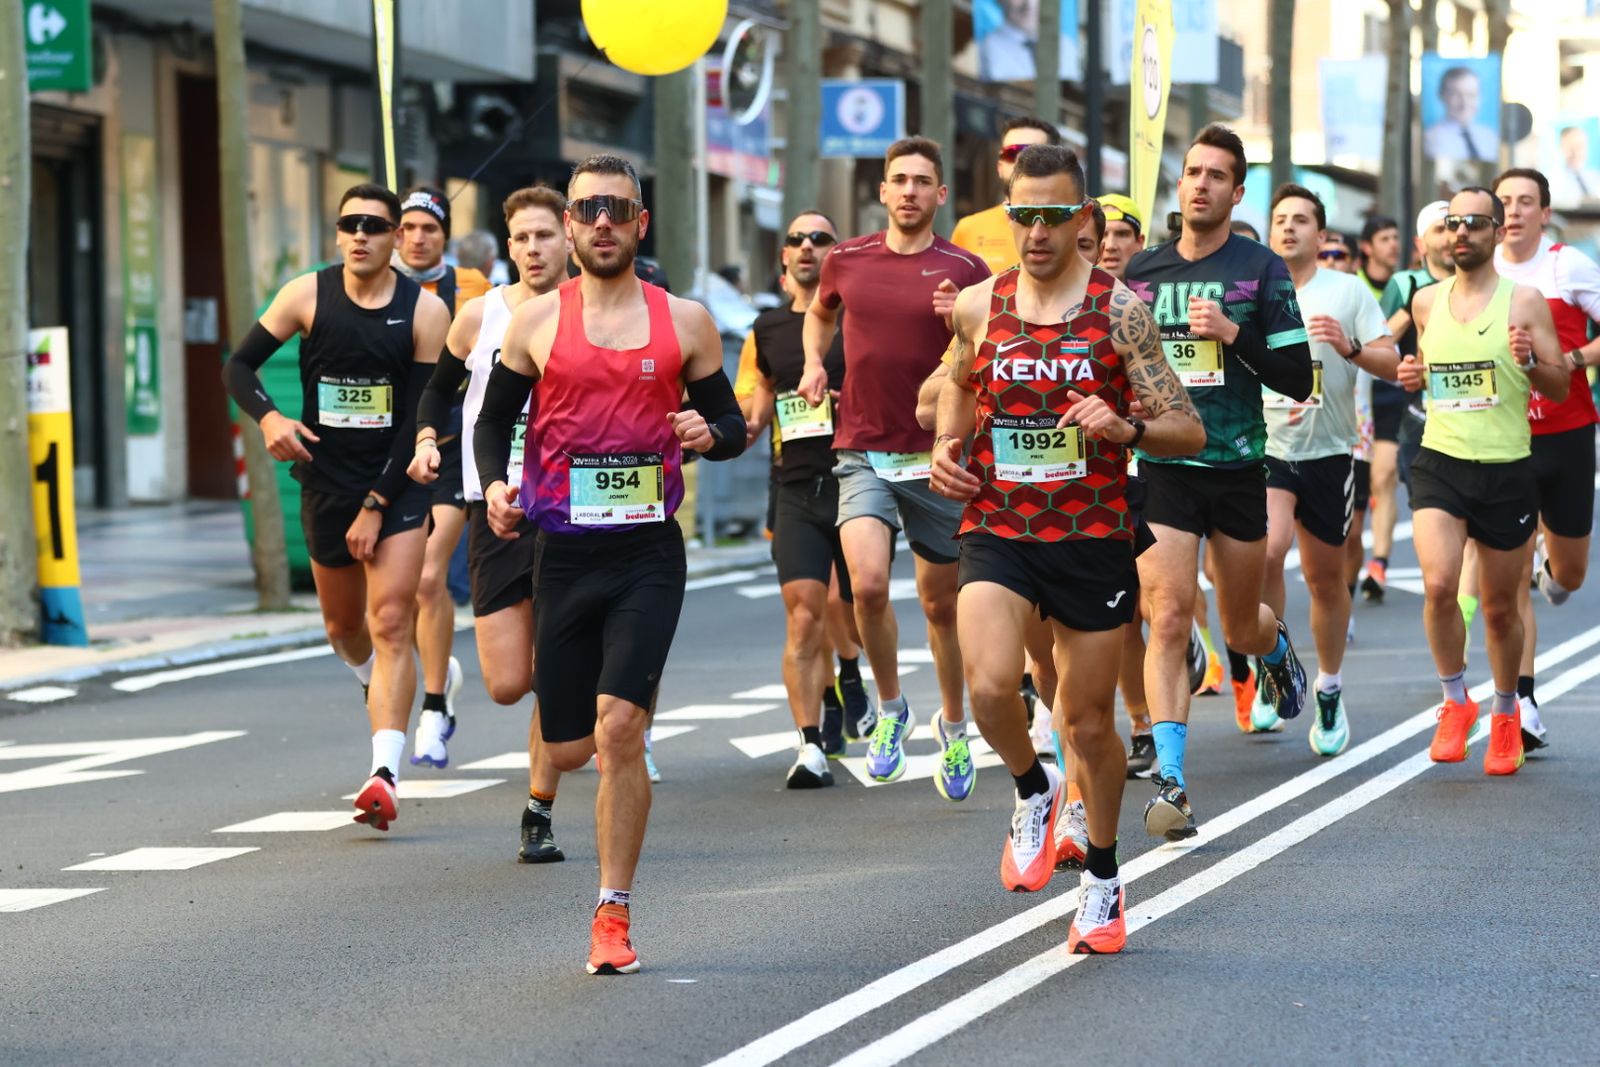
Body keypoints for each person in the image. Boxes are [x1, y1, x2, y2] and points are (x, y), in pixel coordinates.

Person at [473, 154, 745, 975]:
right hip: (561, 552)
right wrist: (492, 484)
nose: (599, 222)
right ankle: (579, 768)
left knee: (620, 729)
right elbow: (491, 424)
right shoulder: (535, 323)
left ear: (639, 224)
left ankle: (612, 910)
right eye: (586, 208)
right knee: (564, 747)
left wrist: (710, 434)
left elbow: (731, 424)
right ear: (572, 221)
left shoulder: (686, 322)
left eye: (615, 209)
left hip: (647, 555)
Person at [932, 144, 1203, 952]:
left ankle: (1104, 879)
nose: (1038, 230)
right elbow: (956, 377)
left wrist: (1127, 427)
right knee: (987, 687)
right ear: (1007, 214)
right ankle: (1032, 784)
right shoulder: (979, 305)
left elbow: (1187, 427)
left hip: (1091, 534)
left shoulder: (1119, 312)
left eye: (1055, 214)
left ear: (1084, 218)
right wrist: (950, 441)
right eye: (1024, 214)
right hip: (999, 525)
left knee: (1088, 722)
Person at [222, 183, 449, 830]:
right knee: (343, 629)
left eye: (374, 226)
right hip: (324, 483)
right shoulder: (305, 295)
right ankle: (377, 684)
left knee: (390, 619)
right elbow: (239, 367)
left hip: (397, 483)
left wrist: (378, 502)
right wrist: (269, 419)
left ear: (396, 238)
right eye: (349, 224)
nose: (360, 235)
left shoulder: (424, 313)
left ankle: (384, 773)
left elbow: (419, 418)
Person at [1124, 124, 1314, 839]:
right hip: (1165, 467)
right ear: (1179, 185)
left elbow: (1297, 377)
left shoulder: (1260, 270)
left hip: (1236, 466)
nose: (1200, 184)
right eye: (1191, 172)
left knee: (1238, 624)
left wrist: (1234, 335)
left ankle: (1272, 649)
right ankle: (1172, 780)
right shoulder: (1141, 275)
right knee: (1168, 614)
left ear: (1237, 193)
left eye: (1216, 175)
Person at [798, 136, 991, 800]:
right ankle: (889, 709)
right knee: (870, 586)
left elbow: (991, 353)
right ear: (882, 191)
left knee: (941, 606)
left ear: (941, 195)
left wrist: (960, 326)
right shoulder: (846, 259)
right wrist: (815, 363)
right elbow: (819, 314)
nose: (909, 191)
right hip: (863, 449)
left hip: (937, 454)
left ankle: (955, 723)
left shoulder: (967, 268)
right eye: (898, 180)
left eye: (922, 182)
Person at [409, 184, 572, 862]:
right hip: (494, 506)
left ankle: (540, 807)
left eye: (544, 235)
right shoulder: (479, 316)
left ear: (567, 238)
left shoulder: (592, 312)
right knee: (509, 680)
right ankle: (577, 675)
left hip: (572, 511)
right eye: (521, 238)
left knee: (556, 666)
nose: (533, 249)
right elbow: (439, 390)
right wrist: (425, 438)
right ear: (509, 246)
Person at [1397, 186, 1565, 775]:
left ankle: (1503, 712)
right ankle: (1454, 701)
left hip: (1506, 467)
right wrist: (1411, 374)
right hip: (1440, 461)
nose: (1460, 232)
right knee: (1440, 586)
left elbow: (1561, 385)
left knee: (1498, 609)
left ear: (1496, 232)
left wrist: (1529, 362)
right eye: (1451, 223)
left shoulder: (1527, 303)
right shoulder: (1424, 303)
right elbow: (1423, 372)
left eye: (1473, 222)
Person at [1262, 183, 1398, 754]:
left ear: (1322, 235)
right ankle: (1275, 661)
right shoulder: (1254, 288)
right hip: (1265, 448)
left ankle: (1329, 687)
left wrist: (1348, 348)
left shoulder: (1347, 291)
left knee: (1324, 578)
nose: (1289, 227)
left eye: (1301, 220)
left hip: (1329, 451)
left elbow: (1390, 361)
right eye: (1280, 219)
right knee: (1267, 550)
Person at [741, 210, 864, 786]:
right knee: (805, 614)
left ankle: (849, 669)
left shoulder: (859, 318)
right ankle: (810, 745)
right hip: (794, 487)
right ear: (783, 258)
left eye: (821, 238)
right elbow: (755, 407)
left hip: (856, 479)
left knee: (855, 600)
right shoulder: (764, 330)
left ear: (837, 253)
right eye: (797, 240)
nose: (808, 247)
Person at [1492, 166, 1600, 747]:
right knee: (1508, 583)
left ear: (1544, 211)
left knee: (1571, 577)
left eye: (1524, 201)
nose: (1513, 211)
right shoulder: (1481, 273)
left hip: (1568, 433)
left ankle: (1551, 569)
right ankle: (1522, 701)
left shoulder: (1567, 266)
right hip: (1505, 438)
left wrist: (1578, 358)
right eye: (1504, 200)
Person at [392, 186, 493, 770]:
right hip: (393, 448)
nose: (418, 237)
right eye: (407, 227)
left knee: (431, 576)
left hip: (455, 442)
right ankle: (437, 672)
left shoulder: (473, 287)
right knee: (394, 592)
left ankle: (434, 707)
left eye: (429, 227)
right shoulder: (378, 285)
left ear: (444, 233)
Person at [1364, 201, 1455, 600]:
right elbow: (1379, 337)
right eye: (1440, 229)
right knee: (1385, 476)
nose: (1451, 236)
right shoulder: (1407, 282)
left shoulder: (1482, 280)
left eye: (1454, 227)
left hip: (1458, 402)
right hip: (1402, 395)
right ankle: (1381, 561)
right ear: (1422, 243)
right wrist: (1414, 311)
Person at [952, 117, 1061, 274]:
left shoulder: (1076, 227)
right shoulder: (968, 229)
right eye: (1011, 153)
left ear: (1057, 165)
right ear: (1000, 166)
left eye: (1032, 153)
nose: (1020, 161)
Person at [1423, 66, 1498, 163]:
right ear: (1441, 96)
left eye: (1471, 95)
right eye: (1456, 95)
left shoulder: (1490, 137)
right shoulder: (1430, 140)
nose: (1465, 104)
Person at [1550, 124, 1600, 207]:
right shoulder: (1555, 180)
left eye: (1580, 146)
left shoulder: (1595, 176)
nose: (1576, 152)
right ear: (1561, 147)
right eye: (1571, 147)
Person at [1357, 216, 1401, 298]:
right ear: (1367, 247)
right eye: (1385, 239)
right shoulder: (1354, 284)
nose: (1393, 244)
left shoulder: (1405, 285)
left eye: (1396, 238)